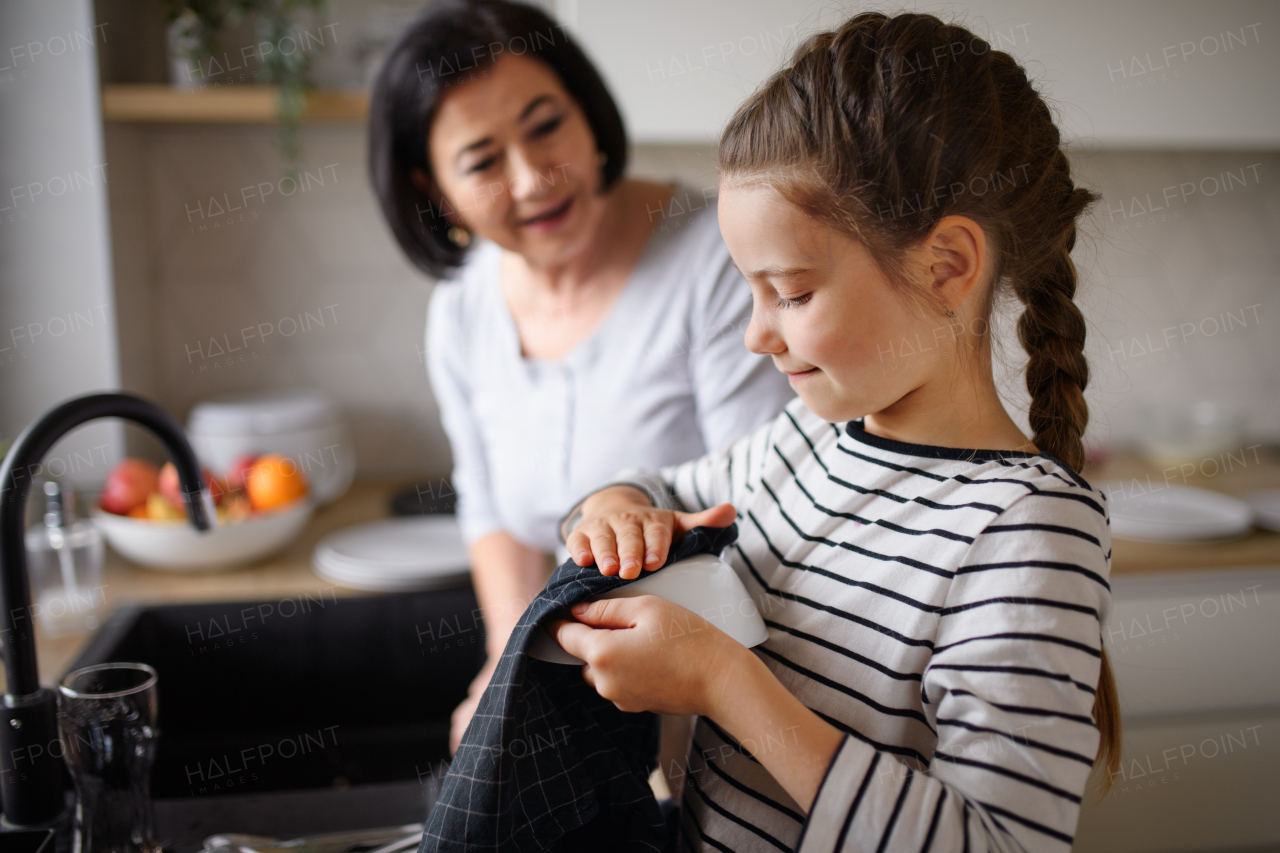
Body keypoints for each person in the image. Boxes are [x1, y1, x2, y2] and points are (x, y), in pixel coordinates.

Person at [552, 12, 1120, 852]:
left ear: (947, 266)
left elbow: (1000, 845)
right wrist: (613, 508)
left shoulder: (1029, 532)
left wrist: (720, 679)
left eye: (792, 291)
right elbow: (658, 489)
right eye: (749, 290)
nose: (756, 333)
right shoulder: (806, 440)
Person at [368, 0, 794, 751]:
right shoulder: (463, 311)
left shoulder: (714, 263)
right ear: (435, 191)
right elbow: (493, 509)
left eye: (545, 126)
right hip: (581, 683)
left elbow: (757, 510)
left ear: (588, 114)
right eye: (482, 161)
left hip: (729, 686)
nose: (534, 179)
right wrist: (502, 665)